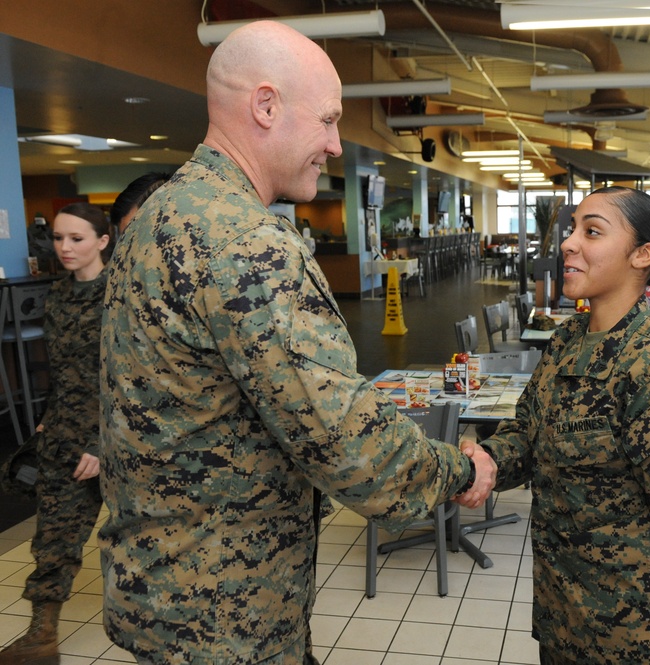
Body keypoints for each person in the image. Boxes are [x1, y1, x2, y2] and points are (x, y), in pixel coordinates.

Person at [98, 20, 495, 665]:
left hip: (160, 585)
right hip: (225, 612)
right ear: (265, 106)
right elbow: (341, 436)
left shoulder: (157, 219)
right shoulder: (246, 242)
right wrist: (457, 471)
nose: (337, 145)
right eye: (329, 120)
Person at [458, 186, 650, 664]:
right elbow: (529, 431)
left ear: (643, 255)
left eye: (591, 231)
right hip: (563, 619)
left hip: (637, 638)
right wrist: (489, 460)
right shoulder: (568, 339)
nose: (569, 243)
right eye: (572, 228)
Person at [0, 202, 110, 665]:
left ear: (103, 241)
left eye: (77, 239)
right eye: (59, 238)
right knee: (54, 539)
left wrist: (103, 443)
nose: (64, 248)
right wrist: (48, 414)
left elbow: (134, 377)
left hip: (116, 441)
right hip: (65, 434)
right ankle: (41, 637)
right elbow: (64, 369)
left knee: (146, 542)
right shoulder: (59, 294)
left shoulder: (122, 296)